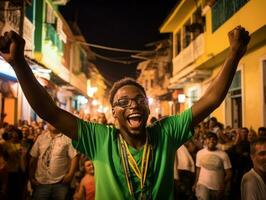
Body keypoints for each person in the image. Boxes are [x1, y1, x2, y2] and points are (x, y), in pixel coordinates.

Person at [0, 26, 250, 199]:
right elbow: (50, 112)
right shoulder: (100, 138)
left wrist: (234, 54)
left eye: (139, 99)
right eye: (123, 102)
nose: (133, 104)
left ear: (147, 107)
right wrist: (19, 62)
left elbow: (211, 99)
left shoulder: (166, 132)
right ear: (113, 113)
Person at [29, 123, 78, 200]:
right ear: (47, 123)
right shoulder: (41, 138)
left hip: (60, 183)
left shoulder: (67, 138)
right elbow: (33, 157)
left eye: (54, 121)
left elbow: (74, 157)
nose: (52, 123)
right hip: (41, 182)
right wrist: (31, 177)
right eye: (49, 121)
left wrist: (70, 175)